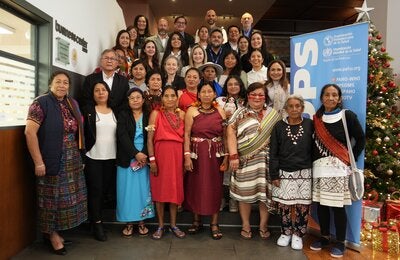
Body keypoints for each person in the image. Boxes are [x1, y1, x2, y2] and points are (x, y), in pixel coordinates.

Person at [25, 71, 87, 255]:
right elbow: (29, 133)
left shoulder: (71, 103)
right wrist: (38, 162)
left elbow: (78, 133)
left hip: (71, 158)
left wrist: (80, 156)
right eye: (58, 82)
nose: (62, 85)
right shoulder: (40, 102)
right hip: (51, 157)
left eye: (65, 82)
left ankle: (56, 231)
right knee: (50, 199)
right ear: (50, 83)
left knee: (65, 200)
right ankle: (51, 235)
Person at [310, 84, 365, 258]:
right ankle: (325, 237)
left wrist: (350, 159)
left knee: (338, 207)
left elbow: (361, 138)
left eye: (334, 95)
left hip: (339, 170)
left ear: (340, 98)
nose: (331, 98)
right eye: (327, 95)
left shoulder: (346, 115)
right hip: (319, 168)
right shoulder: (317, 118)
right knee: (322, 206)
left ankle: (340, 242)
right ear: (322, 98)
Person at [227, 82, 281, 240]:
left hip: (267, 161)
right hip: (245, 161)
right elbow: (230, 133)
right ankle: (245, 225)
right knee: (245, 195)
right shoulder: (240, 113)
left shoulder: (273, 114)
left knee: (265, 195)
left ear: (265, 97)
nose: (257, 97)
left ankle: (263, 225)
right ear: (248, 96)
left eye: (260, 95)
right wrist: (233, 155)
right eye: (253, 94)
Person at [183, 82, 227, 240]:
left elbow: (226, 134)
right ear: (199, 94)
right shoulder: (191, 111)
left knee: (215, 187)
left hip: (215, 154)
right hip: (196, 154)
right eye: (204, 91)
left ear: (214, 94)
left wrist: (227, 156)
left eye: (210, 91)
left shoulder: (220, 111)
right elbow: (186, 134)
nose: (207, 94)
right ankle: (196, 221)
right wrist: (187, 155)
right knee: (196, 186)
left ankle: (214, 223)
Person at [269, 95, 314, 250]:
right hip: (284, 172)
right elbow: (273, 152)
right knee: (284, 206)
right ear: (286, 109)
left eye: (297, 106)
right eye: (291, 106)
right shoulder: (278, 126)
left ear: (302, 108)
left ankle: (298, 235)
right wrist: (274, 174)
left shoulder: (310, 125)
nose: (294, 109)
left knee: (302, 206)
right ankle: (286, 232)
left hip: (305, 172)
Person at [147, 85, 186, 240]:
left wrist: (185, 158)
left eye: (173, 96)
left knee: (174, 191)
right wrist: (152, 160)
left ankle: (174, 225)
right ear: (162, 98)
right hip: (160, 155)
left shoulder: (182, 114)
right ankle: (161, 225)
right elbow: (149, 140)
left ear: (177, 99)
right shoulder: (155, 114)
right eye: (167, 96)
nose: (170, 99)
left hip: (177, 156)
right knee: (160, 192)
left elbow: (186, 138)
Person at [116, 87, 155, 238]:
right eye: (132, 98)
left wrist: (144, 153)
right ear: (128, 100)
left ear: (143, 100)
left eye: (138, 97)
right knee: (126, 192)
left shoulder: (148, 115)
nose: (135, 100)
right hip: (127, 157)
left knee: (142, 190)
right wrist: (135, 153)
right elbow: (122, 136)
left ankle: (141, 221)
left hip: (144, 158)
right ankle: (128, 222)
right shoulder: (123, 114)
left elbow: (151, 136)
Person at [82, 81, 117, 242]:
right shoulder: (88, 111)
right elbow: (81, 135)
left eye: (103, 90)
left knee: (105, 191)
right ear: (93, 94)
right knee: (95, 191)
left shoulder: (115, 111)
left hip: (111, 157)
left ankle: (95, 219)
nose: (101, 93)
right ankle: (97, 224)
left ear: (108, 92)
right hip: (93, 157)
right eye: (97, 90)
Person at [216, 75, 246, 213]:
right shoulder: (219, 101)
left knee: (236, 171)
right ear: (226, 87)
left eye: (236, 84)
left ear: (240, 86)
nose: (233, 86)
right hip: (221, 139)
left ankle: (234, 199)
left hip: (240, 139)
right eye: (230, 84)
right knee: (223, 170)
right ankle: (222, 199)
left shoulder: (245, 102)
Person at [78, 49, 129, 116]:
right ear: (101, 61)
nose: (109, 61)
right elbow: (85, 100)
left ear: (117, 63)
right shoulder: (90, 79)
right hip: (95, 117)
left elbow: (125, 102)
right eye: (106, 58)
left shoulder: (123, 81)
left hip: (118, 119)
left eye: (112, 59)